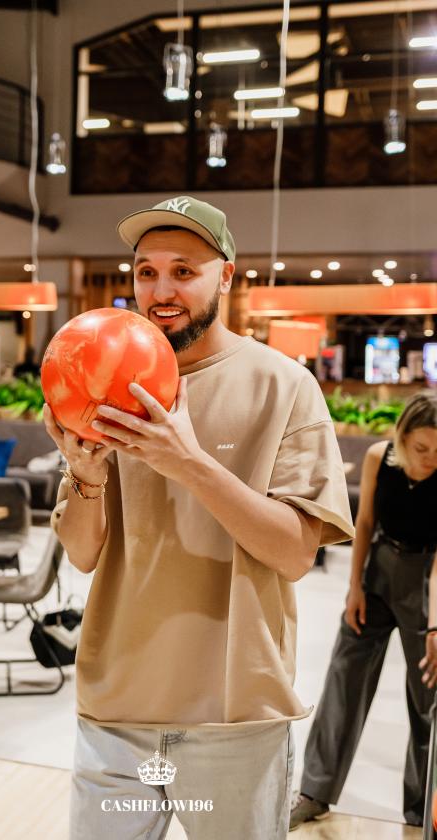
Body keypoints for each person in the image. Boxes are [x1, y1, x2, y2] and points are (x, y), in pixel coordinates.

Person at [43, 195, 355, 840]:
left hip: (234, 716)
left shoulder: (283, 386)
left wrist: (188, 463)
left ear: (226, 276)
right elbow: (81, 553)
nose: (161, 291)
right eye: (147, 272)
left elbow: (296, 553)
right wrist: (86, 475)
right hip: (115, 709)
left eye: (184, 271)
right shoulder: (106, 384)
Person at [290, 390, 437, 830]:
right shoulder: (378, 458)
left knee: (427, 696)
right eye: (421, 448)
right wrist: (354, 587)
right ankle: (314, 792)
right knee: (344, 679)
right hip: (378, 572)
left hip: (426, 578)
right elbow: (366, 523)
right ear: (402, 438)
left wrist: (435, 626)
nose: (430, 459)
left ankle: (422, 810)